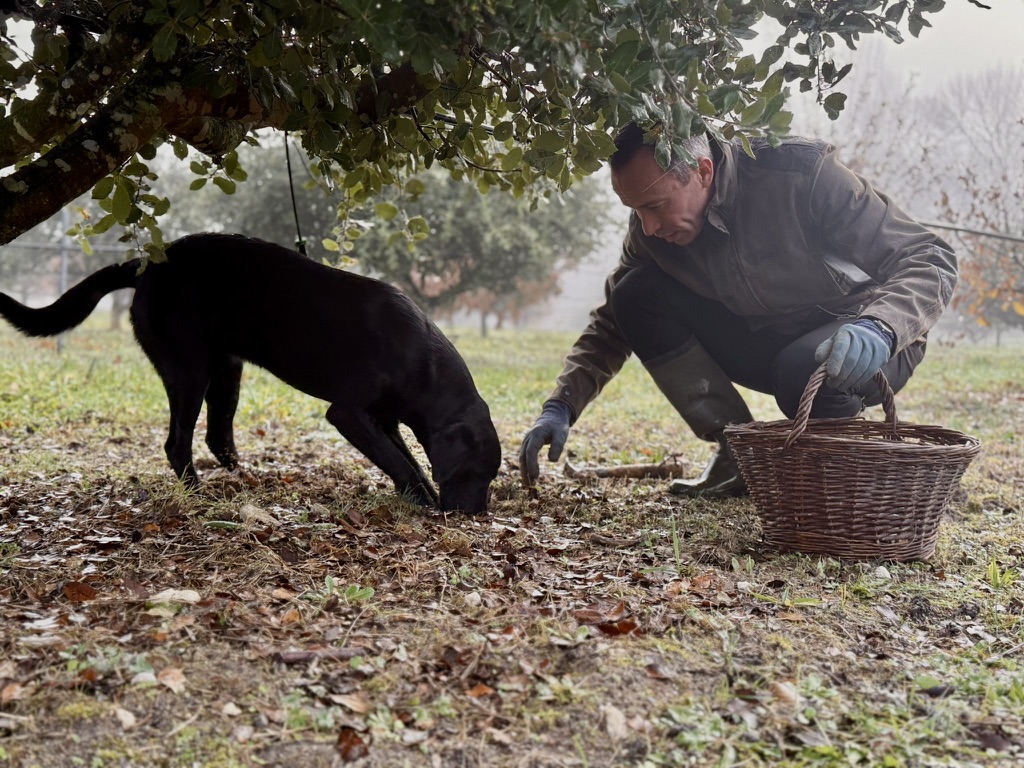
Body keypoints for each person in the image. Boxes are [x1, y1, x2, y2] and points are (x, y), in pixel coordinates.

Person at [519, 123, 957, 497]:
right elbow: (614, 320)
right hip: (765, 342)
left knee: (804, 365)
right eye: (636, 211)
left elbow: (929, 258)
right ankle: (737, 457)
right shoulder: (651, 233)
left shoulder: (803, 174)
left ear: (702, 171)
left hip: (864, 343)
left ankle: (836, 468)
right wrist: (561, 405)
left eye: (655, 206)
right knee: (633, 292)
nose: (649, 227)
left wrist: (880, 327)